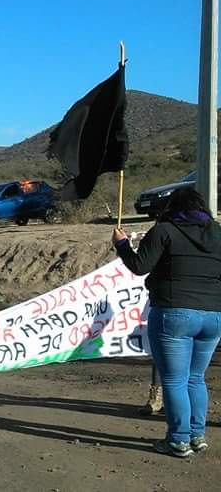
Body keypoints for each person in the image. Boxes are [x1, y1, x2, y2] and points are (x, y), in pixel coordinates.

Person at [112, 187, 221, 457]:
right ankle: (197, 436)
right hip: (214, 315)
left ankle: (178, 440)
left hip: (174, 312)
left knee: (174, 380)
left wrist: (122, 245)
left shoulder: (164, 230)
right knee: (196, 378)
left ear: (171, 206)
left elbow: (139, 266)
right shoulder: (218, 233)